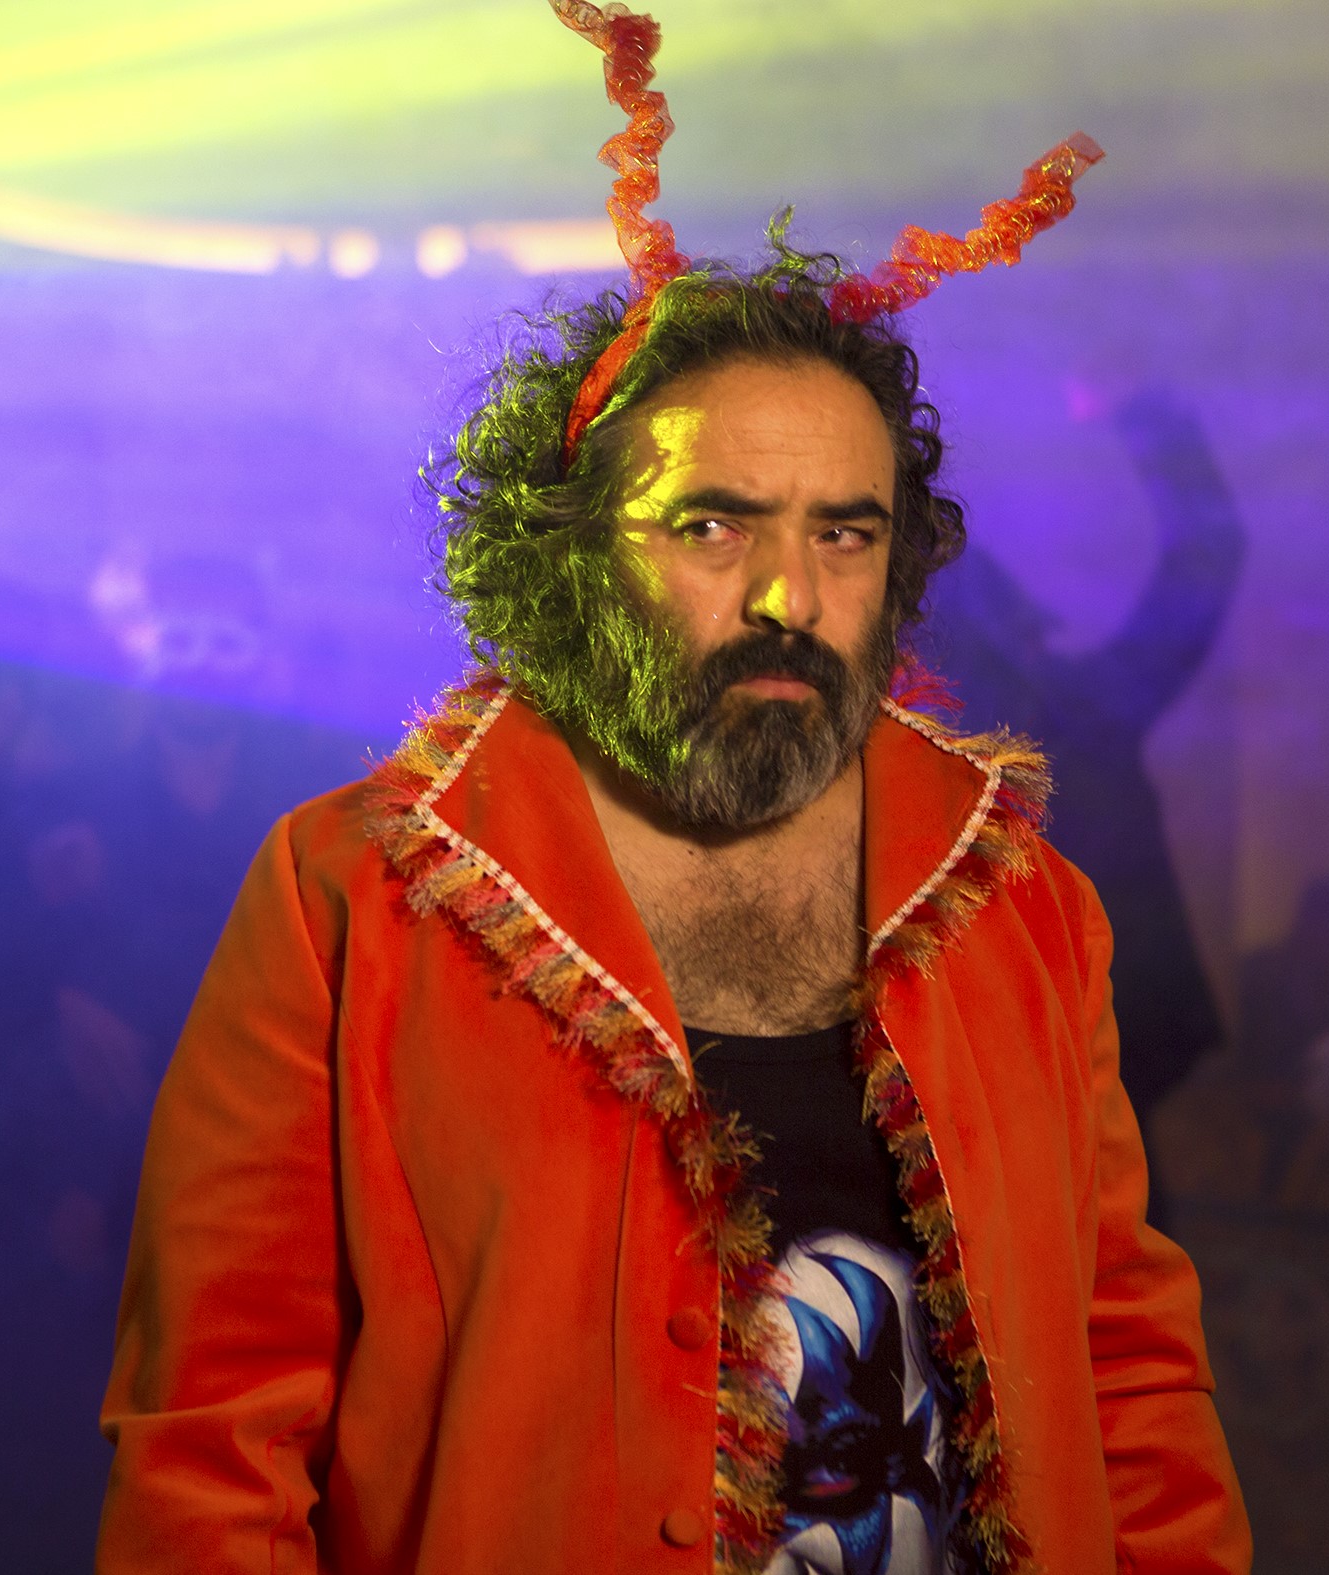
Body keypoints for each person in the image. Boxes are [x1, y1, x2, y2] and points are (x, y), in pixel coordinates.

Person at [96, 6, 1246, 1572]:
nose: (789, 593)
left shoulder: (1018, 898)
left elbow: (1130, 1383)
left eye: (842, 531)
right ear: (573, 556)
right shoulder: (353, 895)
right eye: (714, 525)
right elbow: (212, 1447)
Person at [911, 389, 1246, 1228]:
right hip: (1041, 1063)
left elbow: (1205, 561)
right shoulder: (1075, 714)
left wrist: (1148, 415)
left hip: (1078, 1053)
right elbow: (1206, 559)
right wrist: (1147, 413)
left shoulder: (1067, 717)